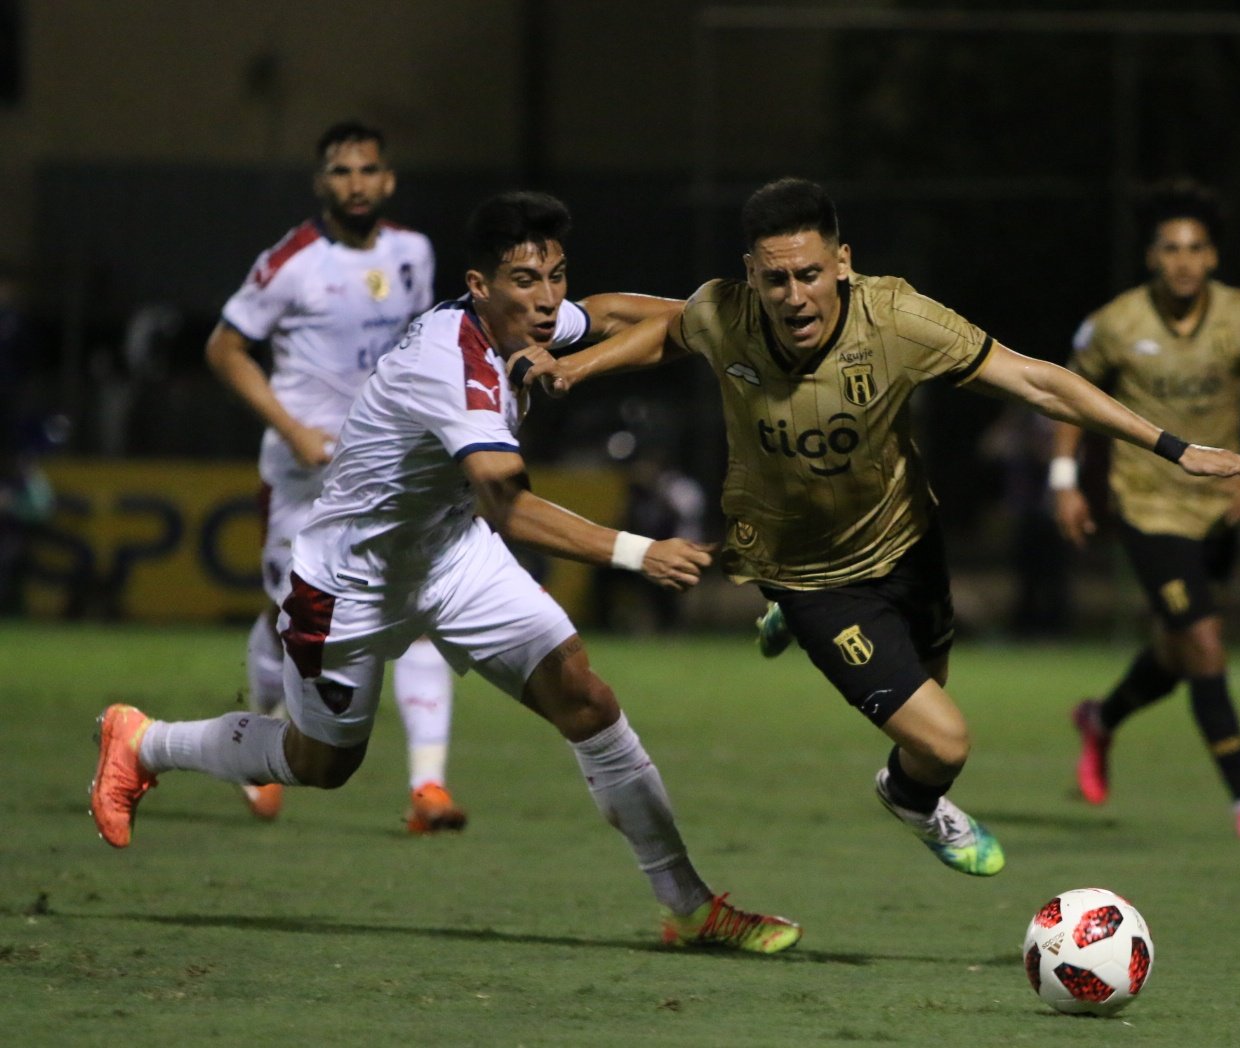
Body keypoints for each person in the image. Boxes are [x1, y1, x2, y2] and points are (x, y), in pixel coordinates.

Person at [91, 190, 799, 953]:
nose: (547, 298)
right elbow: (510, 506)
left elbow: (651, 320)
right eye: (526, 281)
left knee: (587, 700)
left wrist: (667, 332)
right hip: (351, 583)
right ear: (481, 283)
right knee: (319, 763)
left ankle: (688, 905)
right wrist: (637, 551)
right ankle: (145, 742)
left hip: (451, 554)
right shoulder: (451, 363)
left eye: (556, 276)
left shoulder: (526, 320)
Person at [513, 177, 1240, 878]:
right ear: (752, 275)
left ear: (842, 262)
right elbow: (665, 327)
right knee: (944, 741)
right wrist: (576, 364)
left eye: (809, 274)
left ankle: (901, 774)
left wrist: (1175, 448)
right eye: (775, 278)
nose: (794, 296)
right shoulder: (728, 314)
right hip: (805, 569)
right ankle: (906, 794)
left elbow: (1037, 379)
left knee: (925, 717)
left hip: (907, 543)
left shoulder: (898, 319)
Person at [205, 120, 463, 831]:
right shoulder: (292, 260)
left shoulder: (414, 252)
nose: (356, 184)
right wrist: (294, 430)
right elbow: (224, 349)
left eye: (368, 170)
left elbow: (421, 351)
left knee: (411, 616)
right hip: (302, 476)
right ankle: (257, 734)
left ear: (388, 179)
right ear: (322, 182)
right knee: (290, 621)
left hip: (385, 469)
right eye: (341, 172)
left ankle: (428, 787)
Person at [1050, 179, 1240, 841]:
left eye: (1196, 248)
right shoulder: (1118, 323)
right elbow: (1069, 398)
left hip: (1218, 512)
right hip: (1148, 507)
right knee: (1206, 645)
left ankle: (1100, 719)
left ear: (1212, 257)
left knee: (1176, 649)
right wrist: (1065, 481)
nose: (1184, 260)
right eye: (1170, 248)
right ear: (1152, 257)